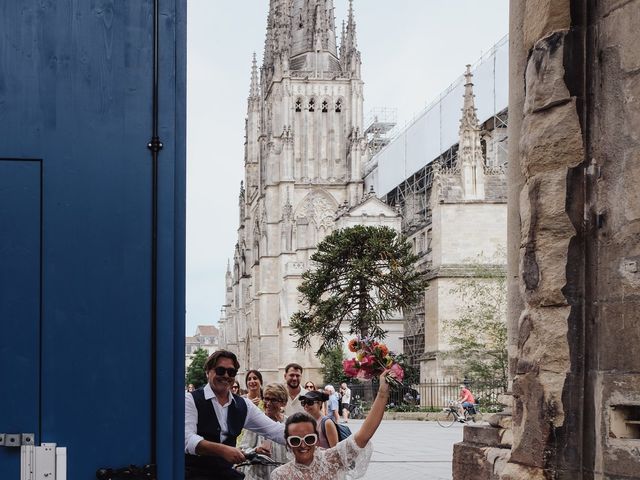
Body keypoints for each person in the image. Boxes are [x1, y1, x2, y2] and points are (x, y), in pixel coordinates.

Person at [270, 370, 393, 480]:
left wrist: (382, 393)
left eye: (309, 439)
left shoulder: (330, 459)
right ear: (288, 443)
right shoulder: (280, 475)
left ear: (316, 438)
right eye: (295, 440)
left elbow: (363, 436)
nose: (303, 445)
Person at [184, 350, 285, 480]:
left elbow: (274, 430)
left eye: (231, 372)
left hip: (226, 474)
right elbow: (187, 439)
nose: (226, 375)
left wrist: (310, 438)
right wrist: (223, 450)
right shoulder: (191, 400)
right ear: (208, 372)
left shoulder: (243, 405)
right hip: (194, 475)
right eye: (220, 370)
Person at [238, 383, 289, 480]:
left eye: (273, 400)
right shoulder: (257, 422)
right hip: (258, 475)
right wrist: (256, 451)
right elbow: (242, 450)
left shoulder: (289, 423)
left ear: (283, 403)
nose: (268, 403)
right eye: (266, 398)